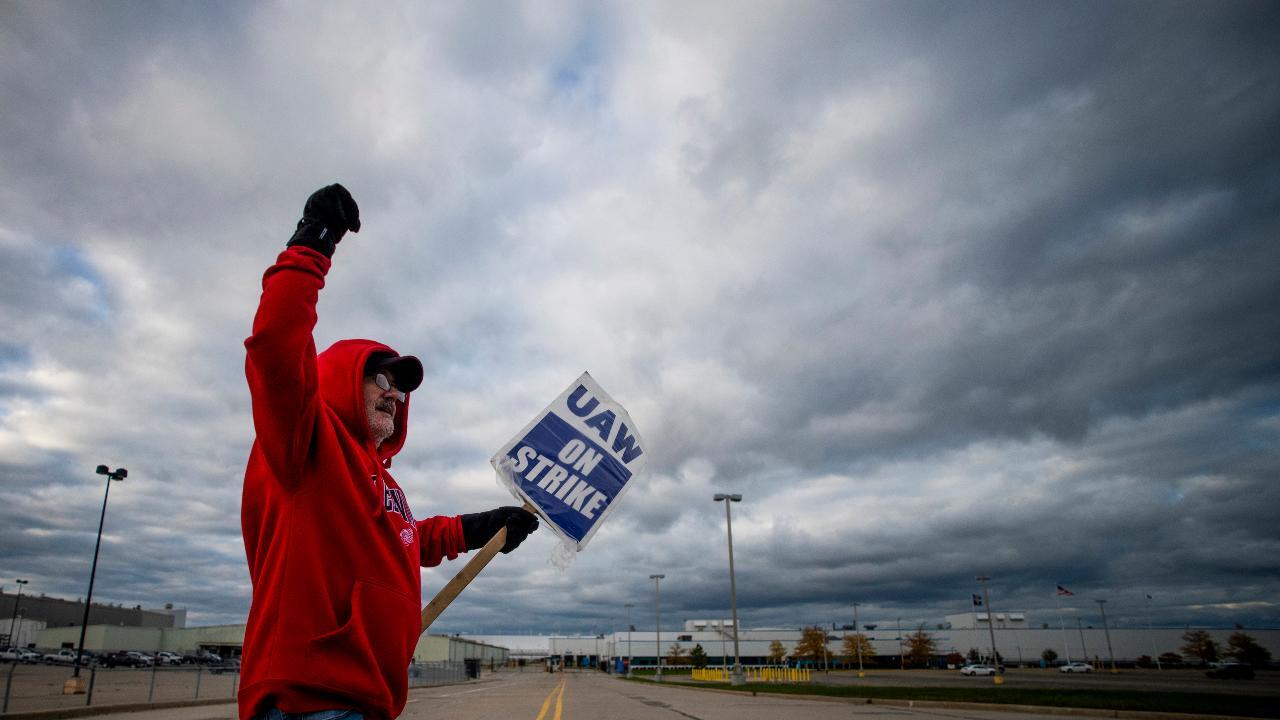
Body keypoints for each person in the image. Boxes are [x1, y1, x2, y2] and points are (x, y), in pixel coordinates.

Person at [239, 184, 539, 720]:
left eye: (402, 388)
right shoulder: (302, 443)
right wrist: (312, 244)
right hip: (310, 701)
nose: (395, 394)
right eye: (380, 378)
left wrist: (479, 528)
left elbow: (404, 541)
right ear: (338, 381)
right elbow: (276, 349)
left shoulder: (383, 483)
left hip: (367, 698)